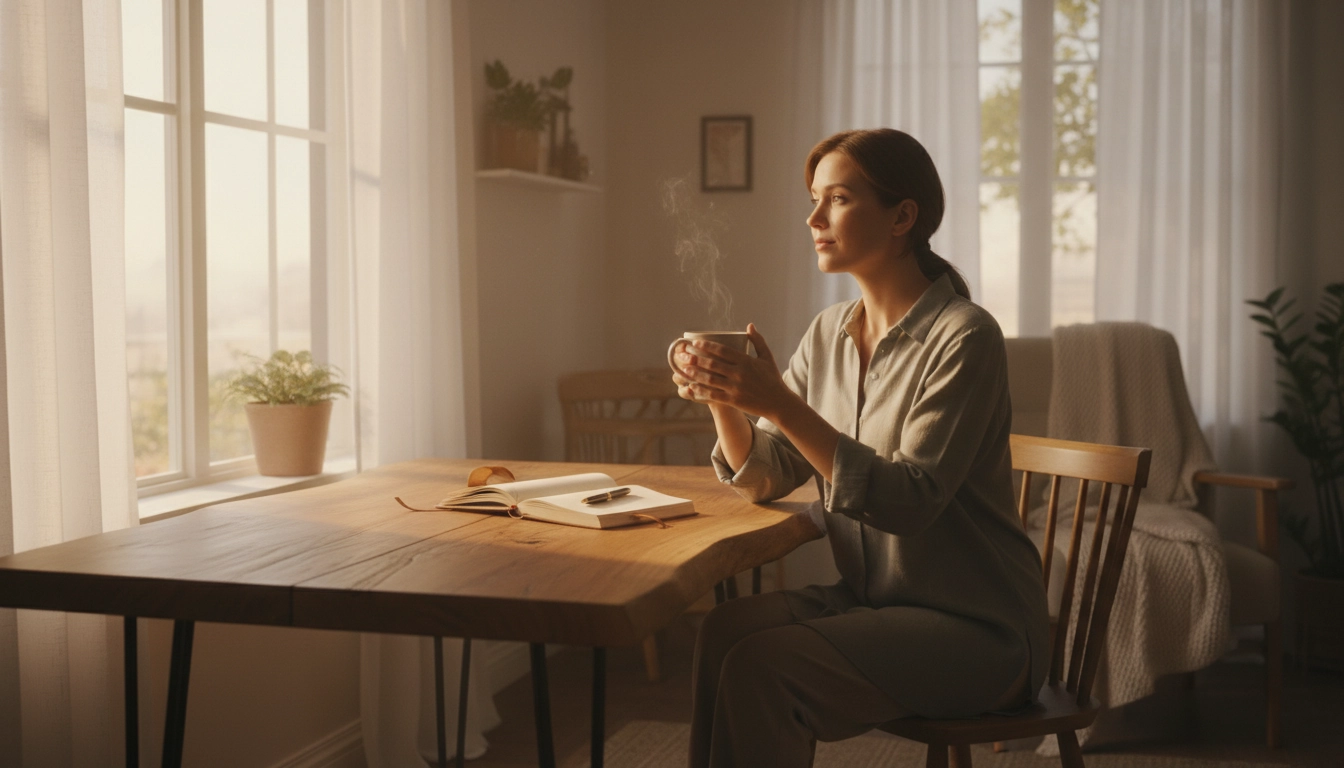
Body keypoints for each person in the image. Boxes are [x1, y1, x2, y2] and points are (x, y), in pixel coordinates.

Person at [671, 128, 1050, 768]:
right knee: (723, 630)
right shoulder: (829, 333)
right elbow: (766, 476)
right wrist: (724, 395)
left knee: (767, 667)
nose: (814, 218)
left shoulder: (965, 337)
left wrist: (778, 403)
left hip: (979, 631)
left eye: (838, 200)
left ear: (903, 216)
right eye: (815, 200)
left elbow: (909, 502)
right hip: (875, 603)